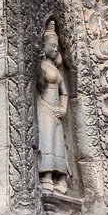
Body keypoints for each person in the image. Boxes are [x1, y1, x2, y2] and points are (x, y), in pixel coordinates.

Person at [37, 20, 68, 194]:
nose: (55, 49)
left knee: (58, 143)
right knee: (47, 142)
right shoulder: (41, 66)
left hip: (56, 111)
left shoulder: (56, 71)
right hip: (45, 108)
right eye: (52, 46)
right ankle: (46, 175)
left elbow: (64, 92)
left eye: (57, 46)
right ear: (44, 47)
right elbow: (38, 83)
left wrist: (63, 108)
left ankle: (61, 177)